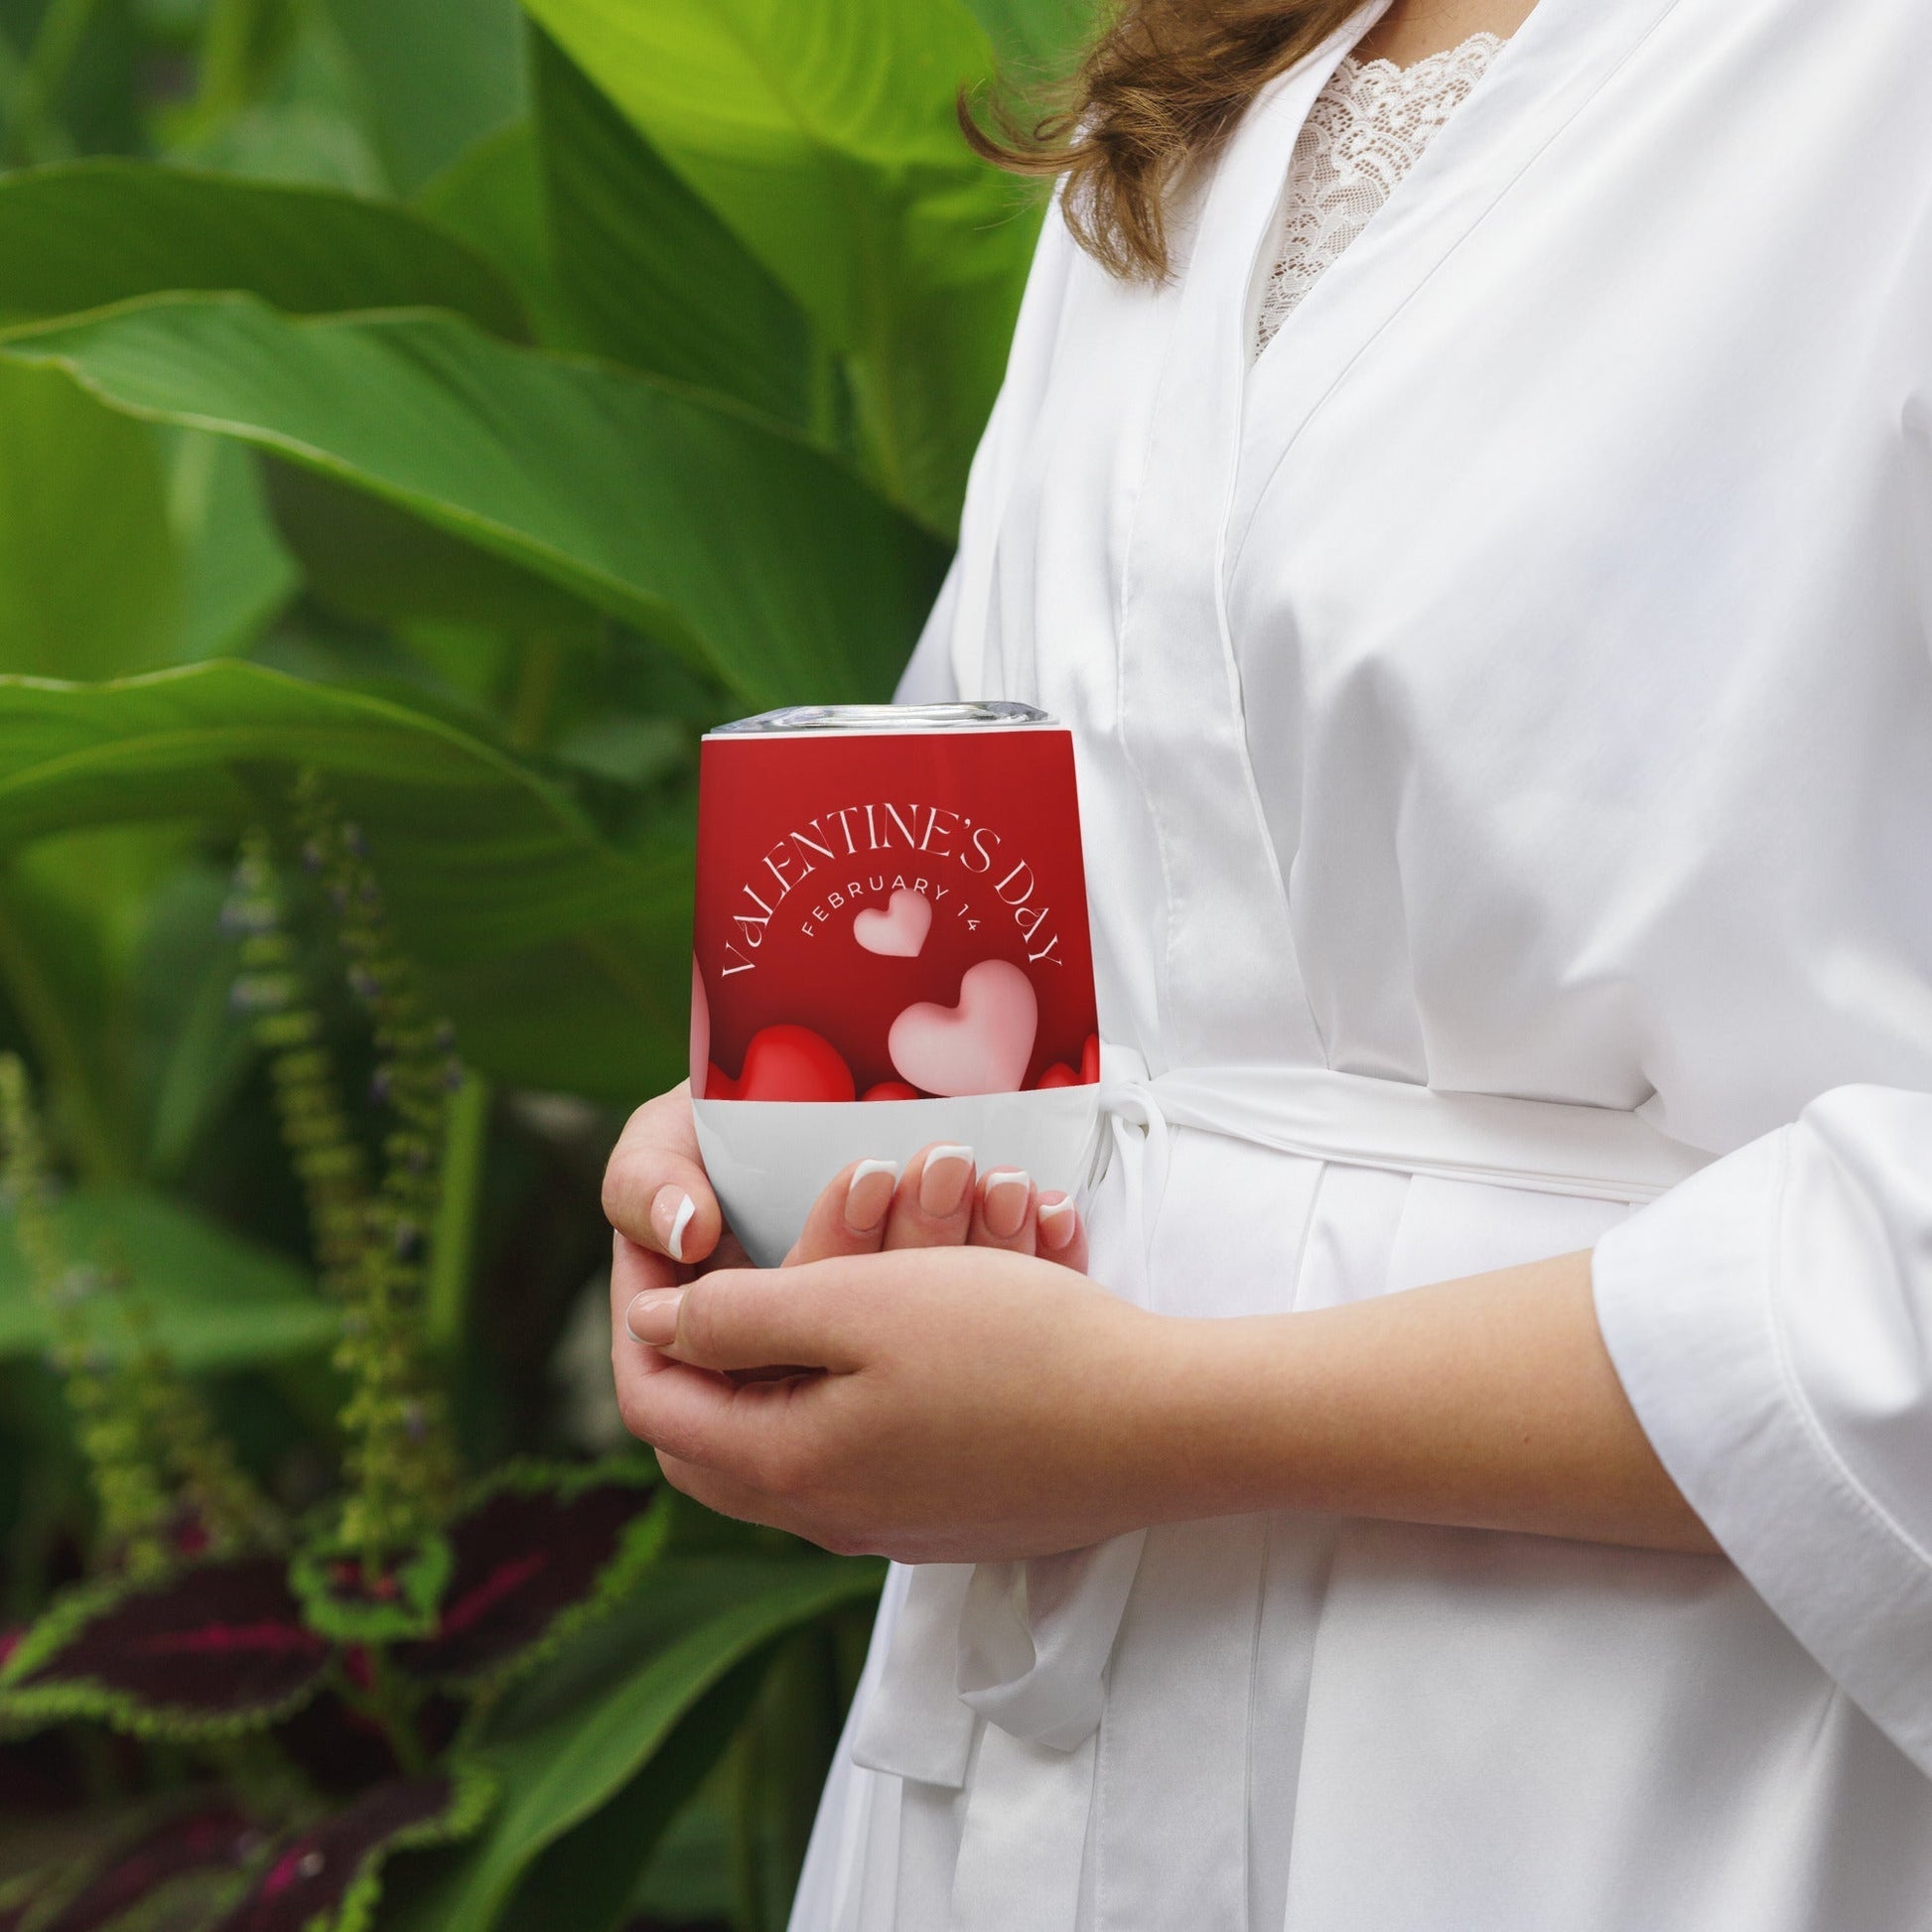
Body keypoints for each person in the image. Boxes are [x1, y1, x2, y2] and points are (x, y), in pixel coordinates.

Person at [603, 0, 1932, 1924]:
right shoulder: (1209, 72)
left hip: (1646, 1766)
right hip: (1036, 1759)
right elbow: (1055, 853)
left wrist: (1154, 1416)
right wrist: (779, 1156)